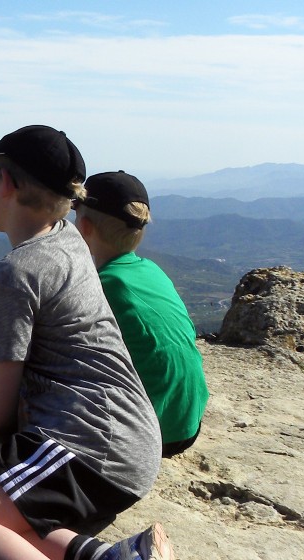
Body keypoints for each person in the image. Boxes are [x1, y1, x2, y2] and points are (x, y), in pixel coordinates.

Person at [0, 125, 174, 560]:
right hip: (116, 435)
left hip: (90, 447)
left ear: (4, 183)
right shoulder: (68, 239)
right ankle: (103, 556)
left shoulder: (13, 275)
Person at [73, 171, 208, 458]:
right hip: (186, 423)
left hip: (148, 435)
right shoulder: (152, 271)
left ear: (84, 227)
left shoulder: (104, 286)